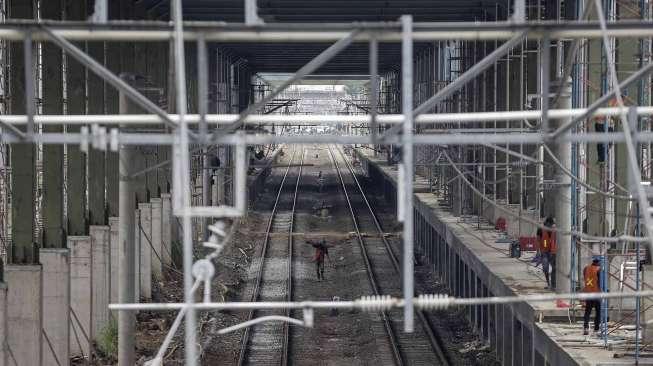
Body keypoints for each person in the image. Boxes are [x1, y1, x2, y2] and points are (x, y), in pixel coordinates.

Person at [583, 258, 602, 335]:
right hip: (596, 293)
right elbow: (600, 282)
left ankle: (586, 328)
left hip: (588, 293)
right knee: (598, 312)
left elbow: (585, 278)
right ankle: (596, 329)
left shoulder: (586, 268)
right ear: (599, 263)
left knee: (587, 311)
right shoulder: (599, 269)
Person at [541, 216, 557, 289]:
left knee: (554, 269)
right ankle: (549, 283)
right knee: (545, 268)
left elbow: (554, 242)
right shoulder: (542, 230)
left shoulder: (555, 230)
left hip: (553, 252)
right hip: (545, 252)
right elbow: (539, 240)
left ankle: (553, 285)